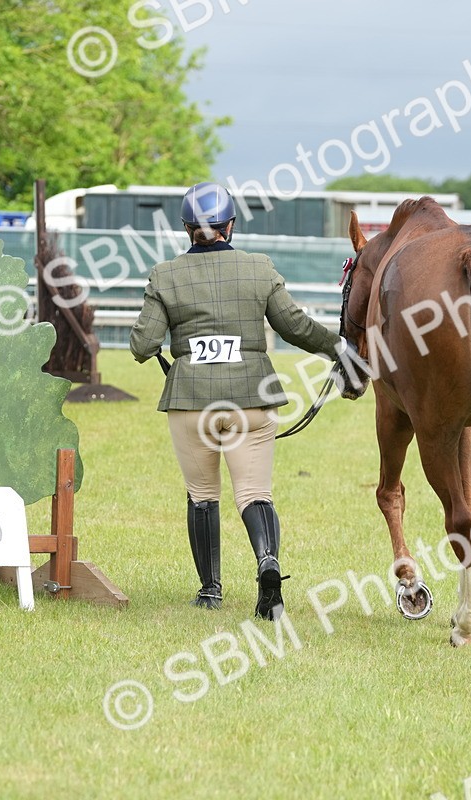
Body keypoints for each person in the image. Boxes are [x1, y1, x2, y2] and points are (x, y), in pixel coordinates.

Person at [129, 182, 351, 620]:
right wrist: (337, 347)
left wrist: (158, 344)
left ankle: (210, 591)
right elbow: (294, 326)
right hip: (251, 397)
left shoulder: (164, 275)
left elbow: (143, 343)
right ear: (230, 225)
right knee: (254, 493)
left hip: (191, 401)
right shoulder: (258, 268)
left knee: (201, 495)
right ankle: (267, 563)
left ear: (187, 228)